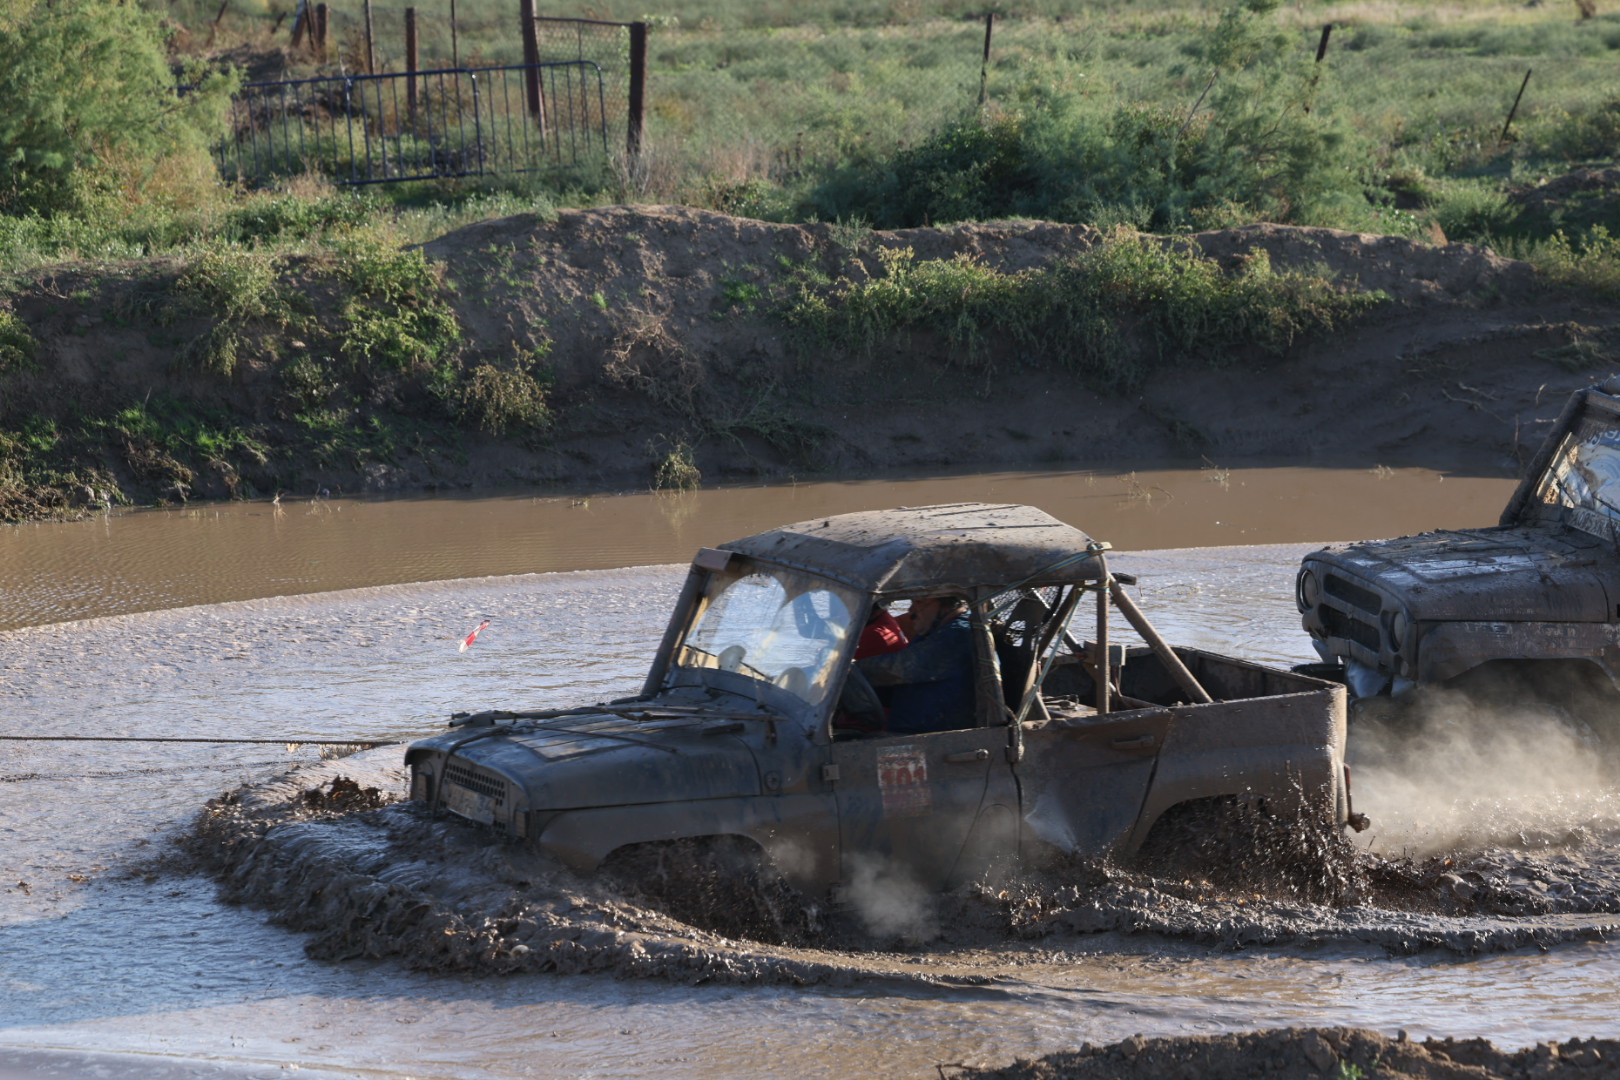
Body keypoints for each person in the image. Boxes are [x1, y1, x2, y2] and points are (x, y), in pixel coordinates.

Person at [855, 595, 975, 734]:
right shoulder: (931, 633)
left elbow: (896, 669)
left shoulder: (957, 635)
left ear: (946, 605)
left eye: (919, 602)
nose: (911, 611)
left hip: (932, 738)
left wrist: (844, 671)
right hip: (911, 731)